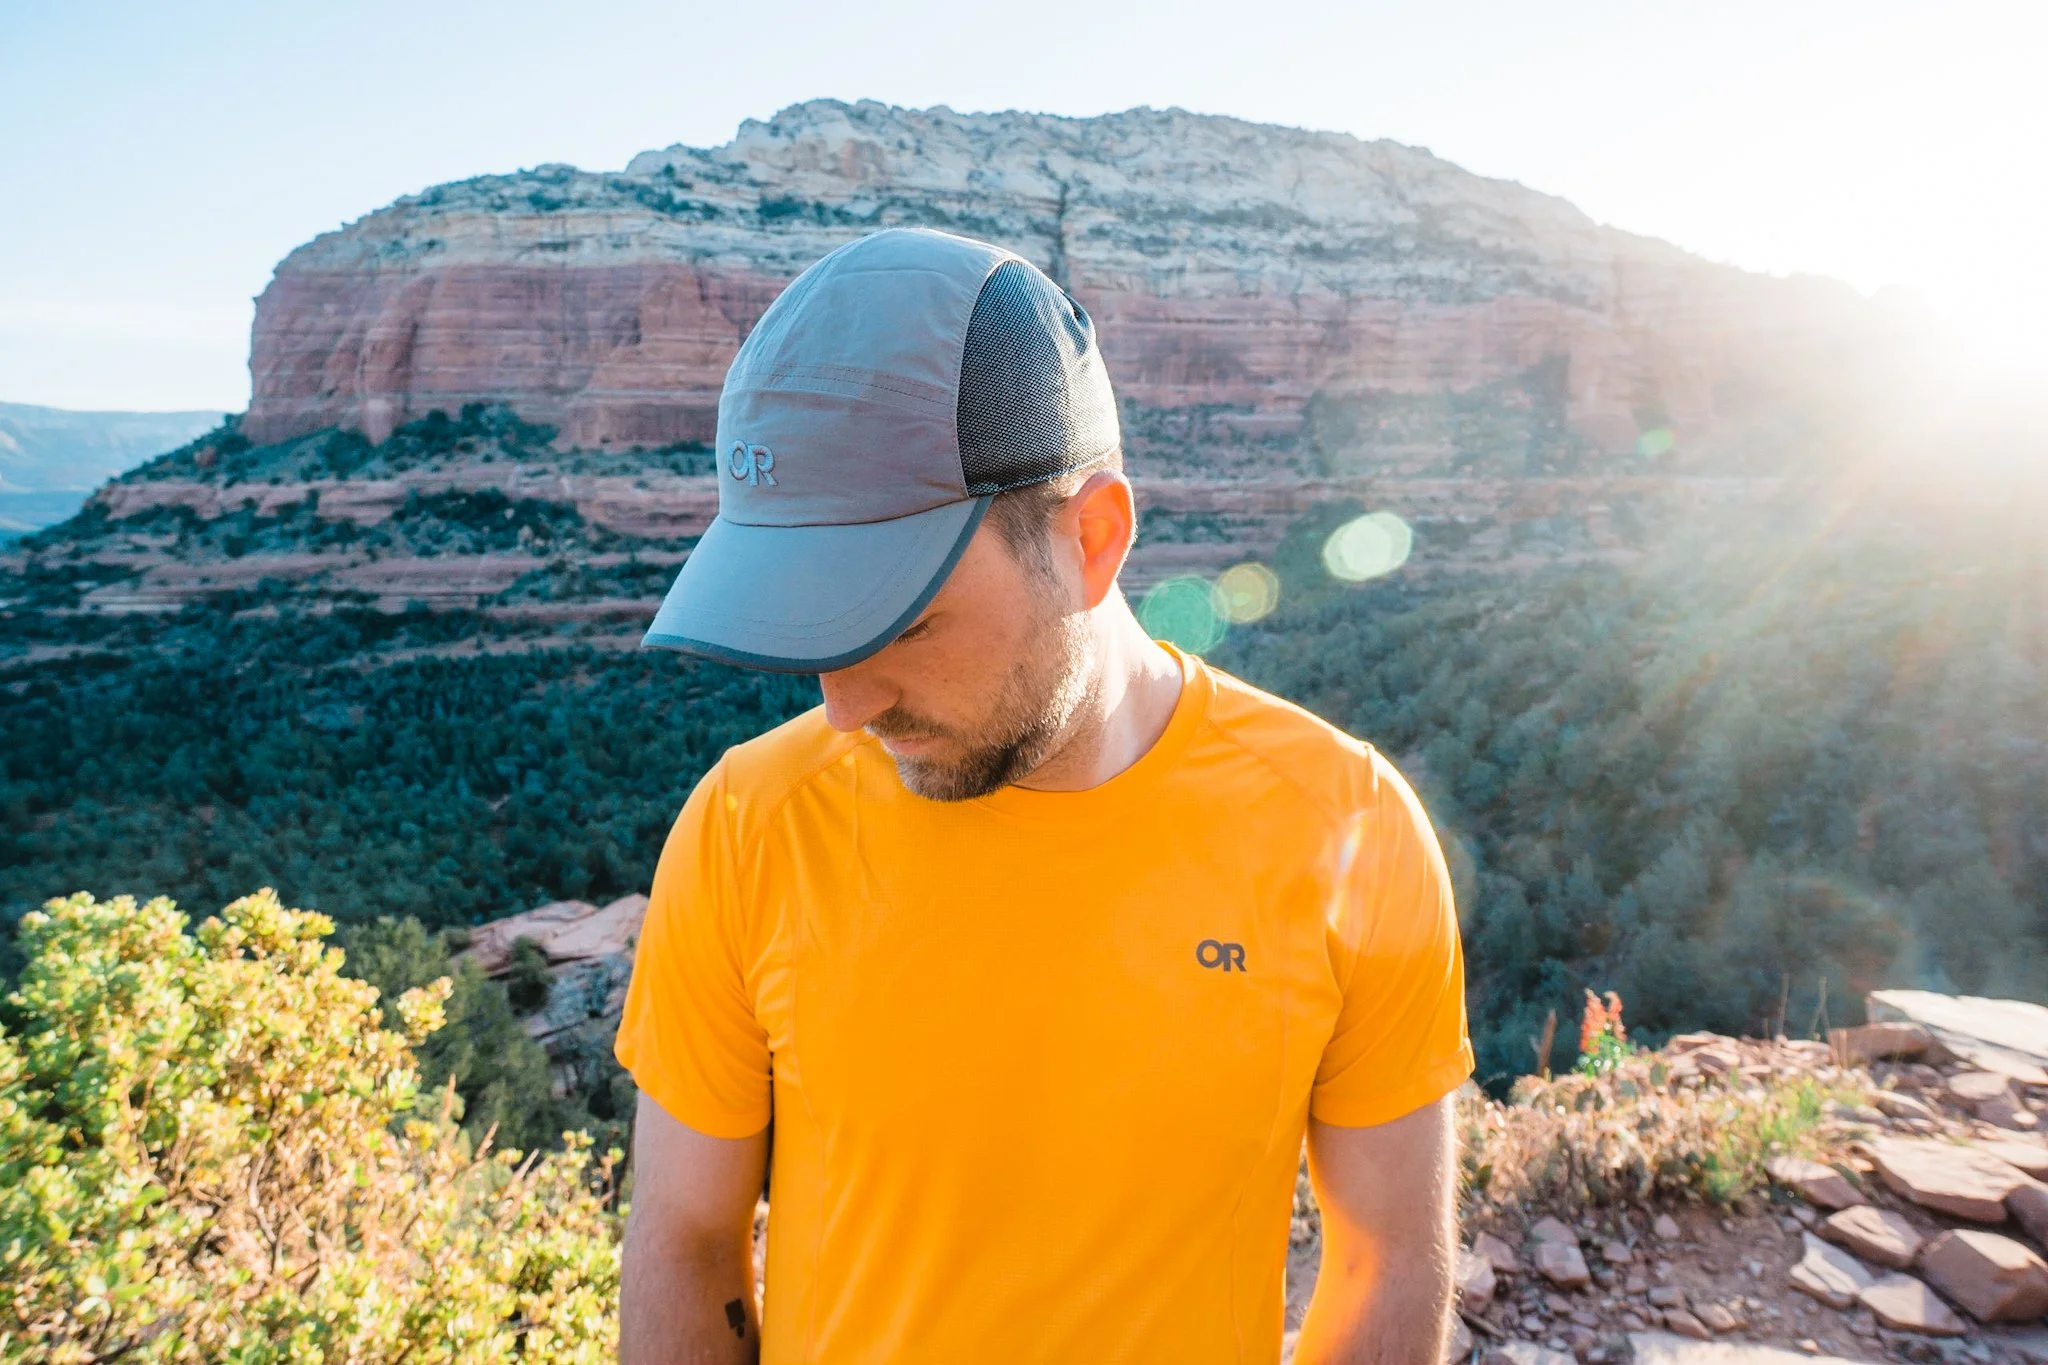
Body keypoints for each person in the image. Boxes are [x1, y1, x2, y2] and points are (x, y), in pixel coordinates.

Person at [614, 227, 1473, 1365]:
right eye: (809, 629)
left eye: (903, 621)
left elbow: (1386, 1264)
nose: (843, 707)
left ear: (1092, 537)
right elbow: (684, 1241)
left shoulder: (1345, 826)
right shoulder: (747, 824)